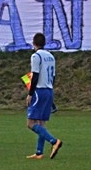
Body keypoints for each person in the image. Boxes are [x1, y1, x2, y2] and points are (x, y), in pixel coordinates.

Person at [25, 32, 63, 160]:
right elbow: (53, 77)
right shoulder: (51, 56)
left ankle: (54, 141)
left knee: (30, 123)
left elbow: (35, 75)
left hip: (39, 91)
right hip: (49, 90)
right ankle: (39, 152)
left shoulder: (36, 56)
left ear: (34, 43)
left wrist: (30, 94)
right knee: (41, 123)